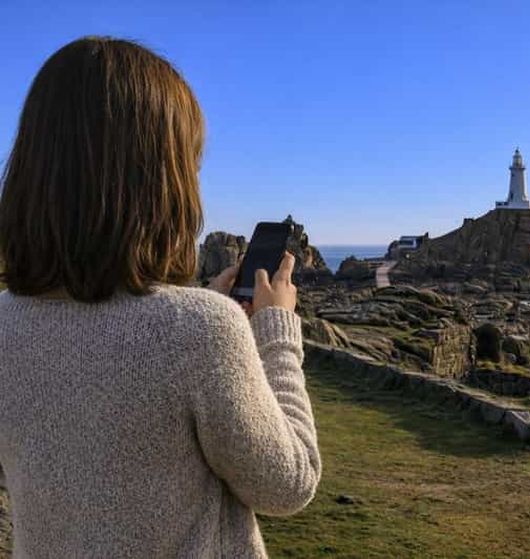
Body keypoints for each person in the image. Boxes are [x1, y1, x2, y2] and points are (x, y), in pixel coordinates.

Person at [0, 36, 320, 558]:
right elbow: (288, 483)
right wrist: (275, 331)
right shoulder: (200, 330)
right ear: (159, 181)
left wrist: (195, 303)